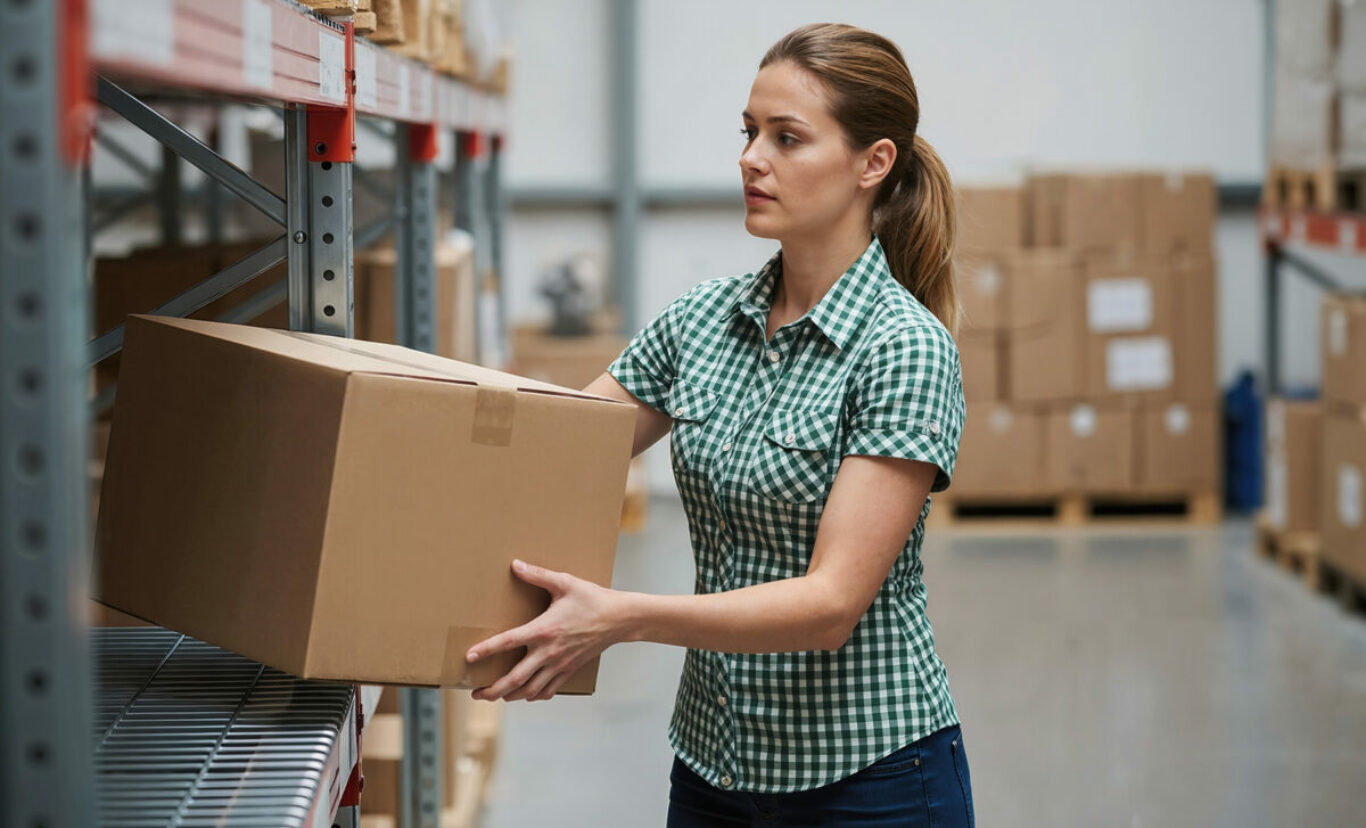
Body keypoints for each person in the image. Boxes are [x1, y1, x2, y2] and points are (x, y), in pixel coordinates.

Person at [467, 22, 974, 826]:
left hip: (868, 781)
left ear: (873, 164)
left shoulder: (905, 349)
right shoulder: (701, 321)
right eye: (748, 132)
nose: (751, 158)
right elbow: (553, 450)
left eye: (787, 138)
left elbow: (830, 604)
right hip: (715, 768)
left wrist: (622, 616)